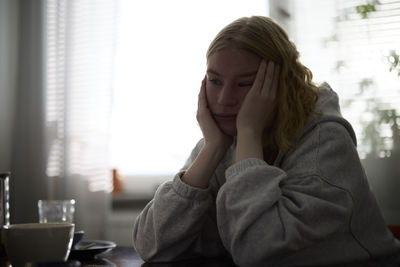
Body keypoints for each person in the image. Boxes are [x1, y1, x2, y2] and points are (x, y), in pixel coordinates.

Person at [133, 16, 400, 266]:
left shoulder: (325, 141)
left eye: (244, 84)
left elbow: (257, 251)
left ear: (280, 85)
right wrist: (212, 149)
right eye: (215, 81)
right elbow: (150, 244)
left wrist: (249, 132)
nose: (224, 99)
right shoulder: (221, 141)